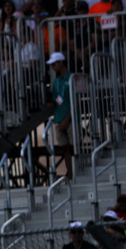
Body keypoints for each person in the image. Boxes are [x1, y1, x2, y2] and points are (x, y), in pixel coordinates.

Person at [48, 51, 75, 179]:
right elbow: (56, 99)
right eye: (52, 65)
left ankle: (77, 172)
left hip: (70, 119)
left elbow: (77, 101)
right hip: (58, 118)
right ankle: (70, 175)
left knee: (74, 148)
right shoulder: (57, 81)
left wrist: (67, 119)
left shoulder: (73, 78)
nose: (53, 67)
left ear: (61, 62)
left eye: (54, 64)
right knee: (65, 150)